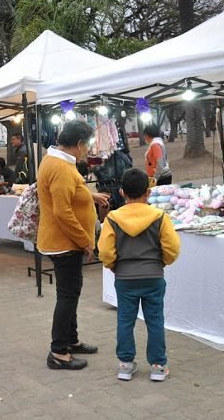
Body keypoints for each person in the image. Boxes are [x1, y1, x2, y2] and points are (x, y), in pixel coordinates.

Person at [37, 120, 109, 370]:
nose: (88, 150)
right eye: (87, 145)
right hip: (64, 243)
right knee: (67, 295)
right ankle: (58, 351)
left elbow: (68, 193)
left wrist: (90, 195)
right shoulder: (61, 167)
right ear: (78, 144)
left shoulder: (56, 161)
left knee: (71, 292)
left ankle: (71, 339)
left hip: (63, 241)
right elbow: (63, 211)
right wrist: (85, 241)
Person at [98, 168, 181, 381]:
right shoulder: (160, 216)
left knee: (125, 320)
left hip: (124, 279)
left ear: (122, 192)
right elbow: (172, 248)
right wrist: (161, 263)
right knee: (155, 320)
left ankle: (125, 365)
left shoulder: (113, 218)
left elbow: (105, 251)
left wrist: (113, 266)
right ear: (148, 192)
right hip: (153, 276)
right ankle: (158, 366)